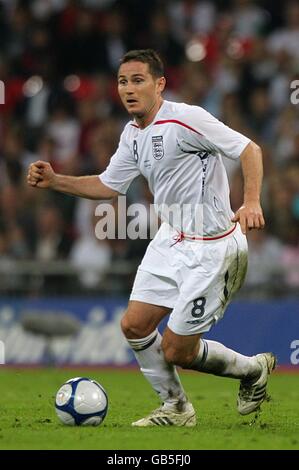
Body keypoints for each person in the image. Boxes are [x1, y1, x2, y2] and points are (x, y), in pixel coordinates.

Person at [27, 49, 276, 427]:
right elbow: (109, 185)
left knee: (178, 350)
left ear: (159, 84)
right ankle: (176, 407)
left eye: (138, 80)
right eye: (123, 81)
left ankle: (252, 369)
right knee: (134, 325)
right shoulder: (132, 134)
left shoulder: (186, 118)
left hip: (213, 248)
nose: (128, 89)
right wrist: (56, 180)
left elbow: (248, 149)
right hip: (171, 239)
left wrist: (252, 201)